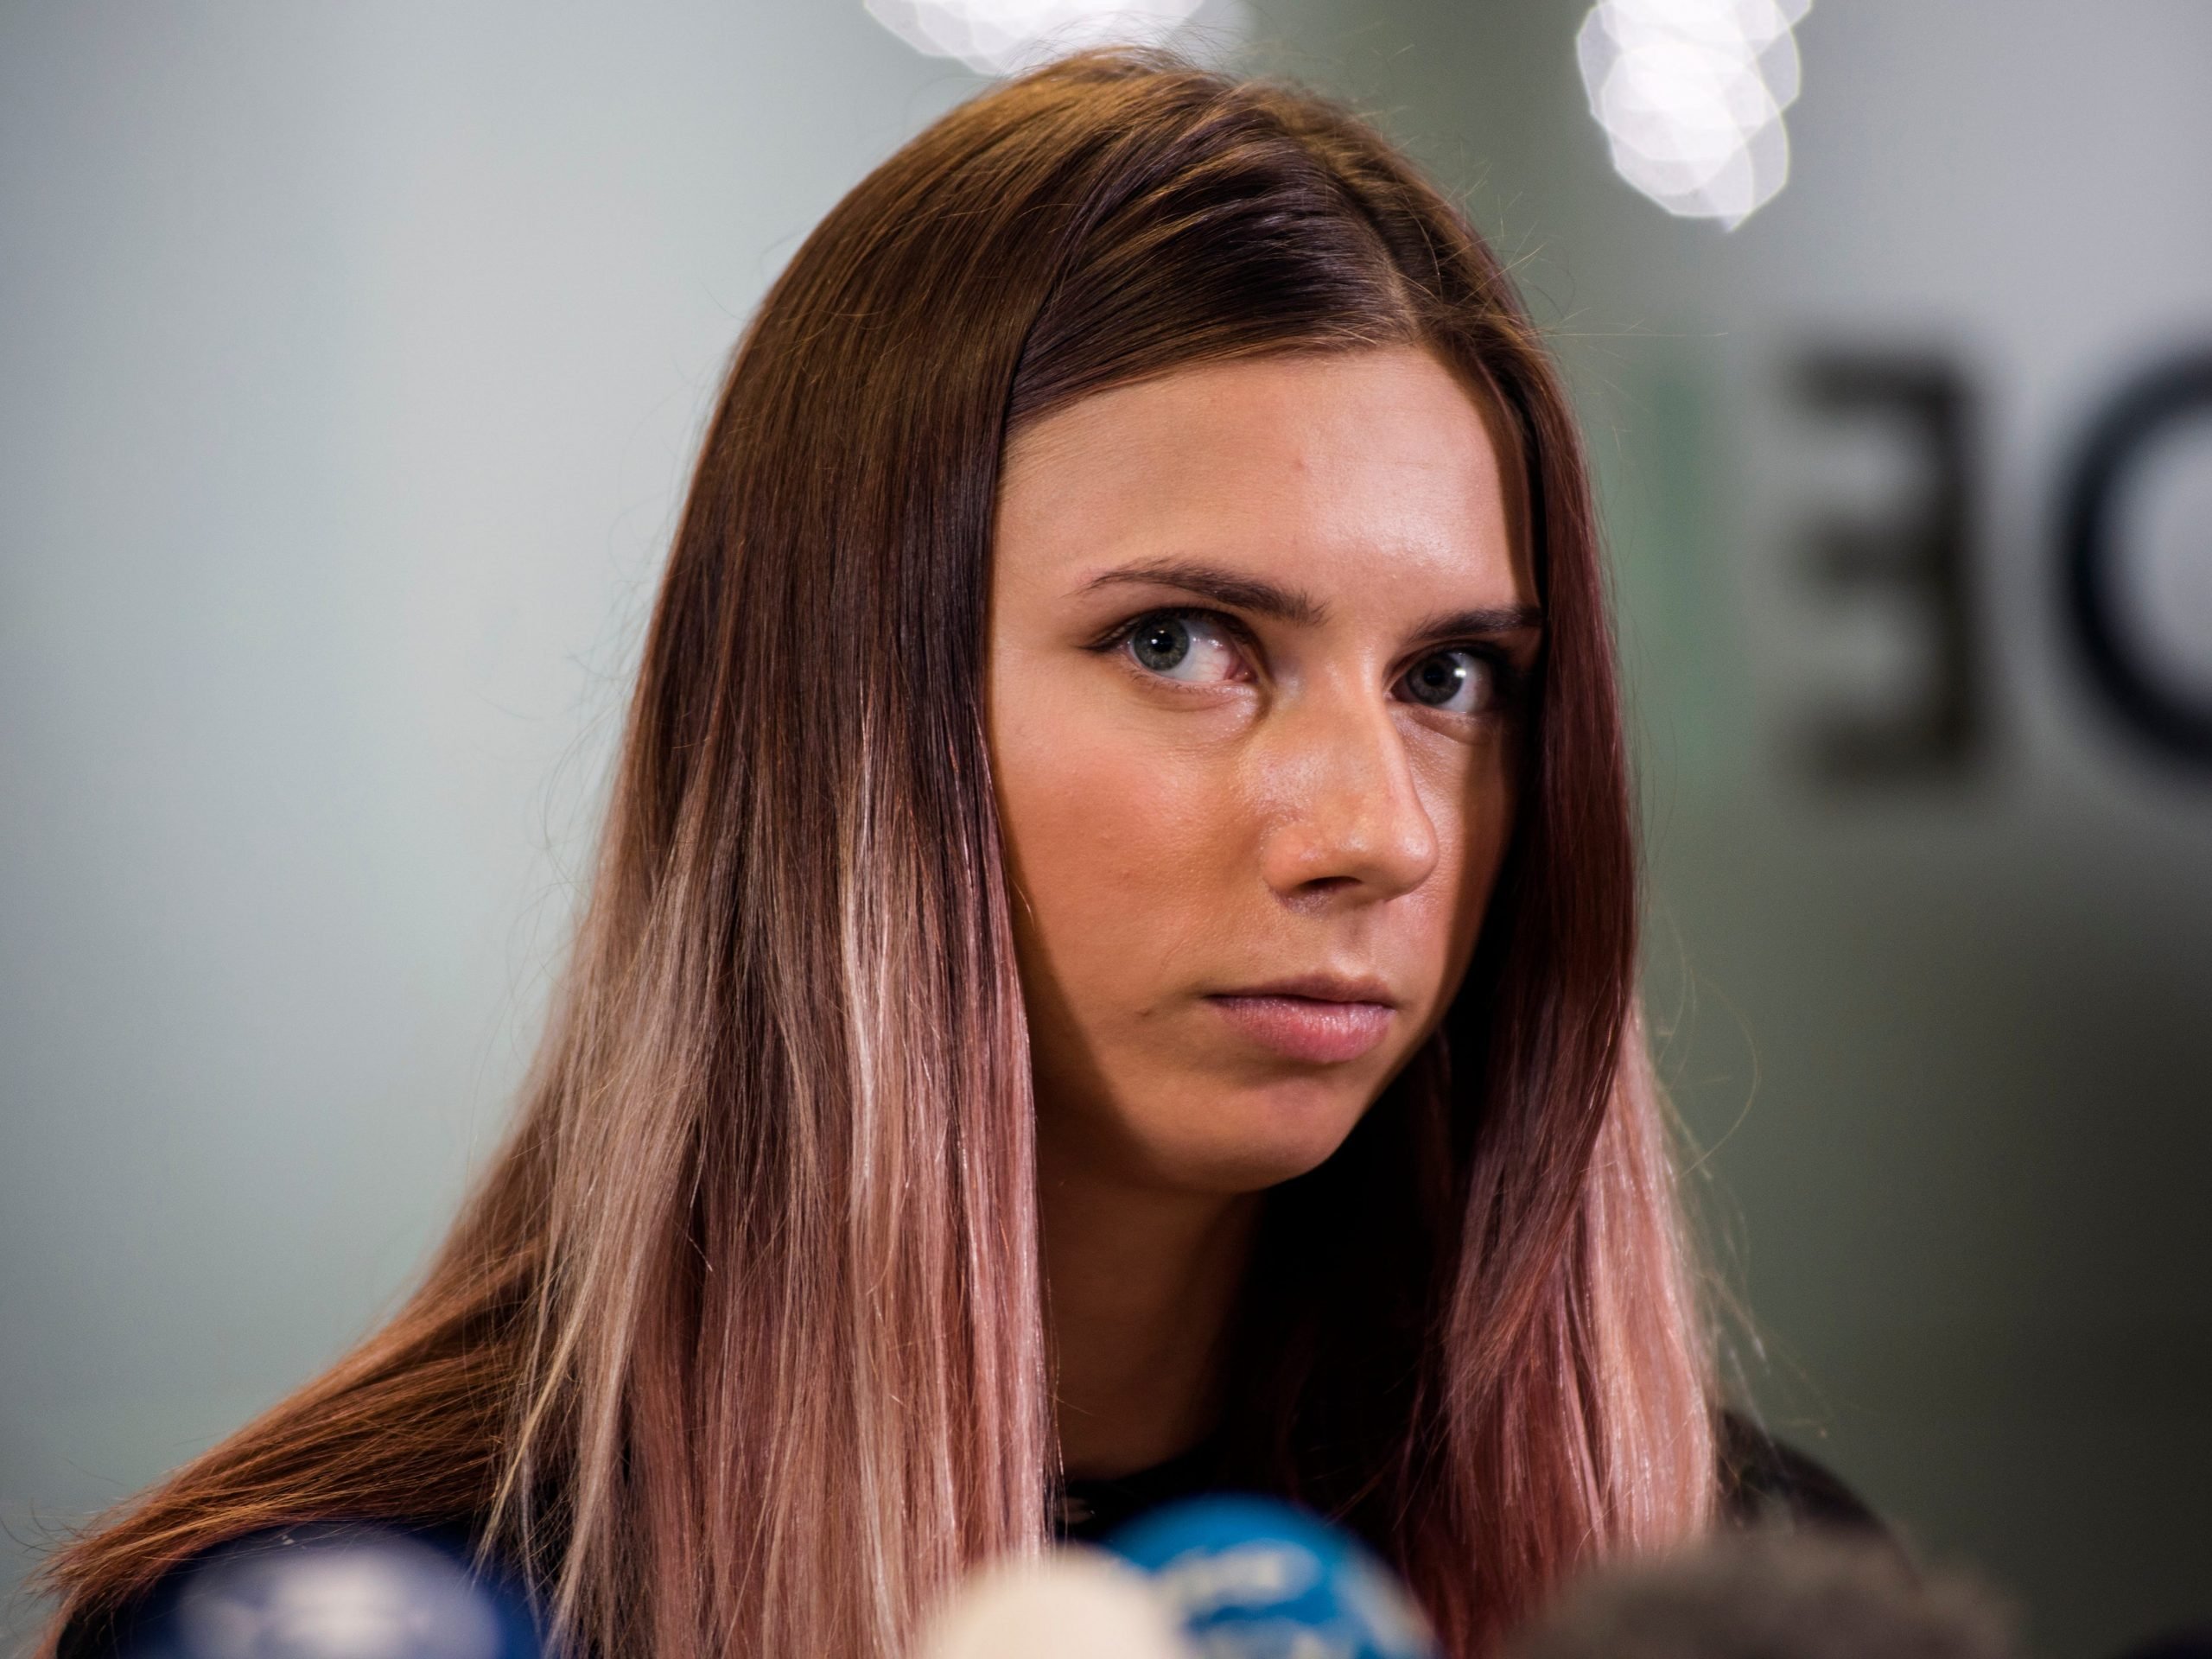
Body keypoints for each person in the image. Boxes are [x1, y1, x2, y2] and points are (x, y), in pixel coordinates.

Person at [35, 45, 1887, 1659]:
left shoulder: (1724, 1587)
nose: (1375, 835)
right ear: (835, 720)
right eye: (1182, 644)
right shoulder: (345, 1615)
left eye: (1452, 675)